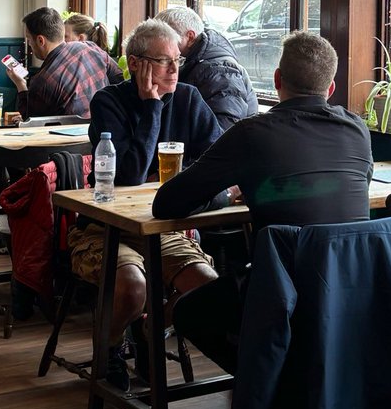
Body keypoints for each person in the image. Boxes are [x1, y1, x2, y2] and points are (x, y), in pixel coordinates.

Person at [152, 30, 373, 371]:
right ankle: (282, 379)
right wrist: (268, 189)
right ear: (330, 89)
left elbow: (167, 204)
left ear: (277, 79)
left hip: (283, 294)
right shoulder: (357, 130)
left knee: (189, 311)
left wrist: (231, 193)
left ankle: (266, 380)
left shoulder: (252, 133)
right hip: (355, 288)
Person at [70, 19, 222, 387]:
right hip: (105, 228)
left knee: (209, 288)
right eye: (164, 61)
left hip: (161, 227)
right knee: (133, 287)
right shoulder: (108, 101)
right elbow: (129, 176)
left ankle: (149, 329)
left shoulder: (188, 98)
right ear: (136, 63)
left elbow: (219, 162)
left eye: (177, 60)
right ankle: (109, 347)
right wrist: (153, 108)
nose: (174, 69)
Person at [154, 5, 257, 130]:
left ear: (190, 37)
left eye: (167, 38)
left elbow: (224, 131)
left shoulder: (220, 71)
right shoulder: (191, 62)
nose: (161, 44)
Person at [5, 6, 115, 120]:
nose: (29, 44)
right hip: (105, 127)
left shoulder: (41, 82)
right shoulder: (90, 47)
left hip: (70, 132)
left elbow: (31, 122)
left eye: (29, 39)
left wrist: (21, 85)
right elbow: (119, 78)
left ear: (40, 40)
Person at [64, 12, 124, 84]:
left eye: (65, 36)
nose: (62, 40)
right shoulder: (101, 57)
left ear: (81, 38)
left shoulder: (99, 59)